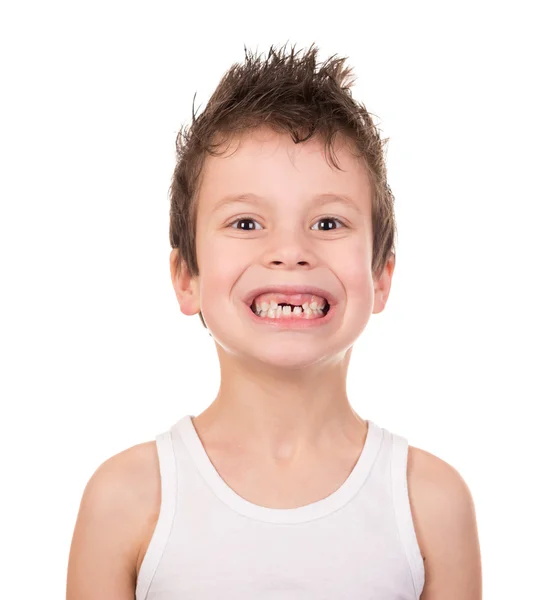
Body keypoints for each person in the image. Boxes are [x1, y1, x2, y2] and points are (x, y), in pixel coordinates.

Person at [66, 43, 482, 600]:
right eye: (245, 222)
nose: (290, 250)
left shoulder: (431, 504)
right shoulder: (126, 500)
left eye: (329, 222)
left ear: (381, 277)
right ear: (186, 276)